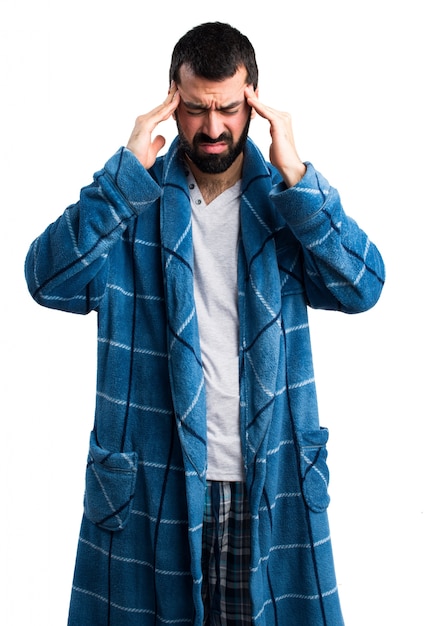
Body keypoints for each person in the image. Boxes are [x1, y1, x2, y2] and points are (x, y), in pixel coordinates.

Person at [25, 21, 385, 626]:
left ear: (255, 103)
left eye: (228, 110)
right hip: (151, 487)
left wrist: (298, 176)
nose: (212, 128)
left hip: (268, 481)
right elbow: (46, 279)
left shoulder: (284, 205)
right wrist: (121, 177)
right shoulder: (132, 202)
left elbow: (364, 286)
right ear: (172, 98)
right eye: (195, 110)